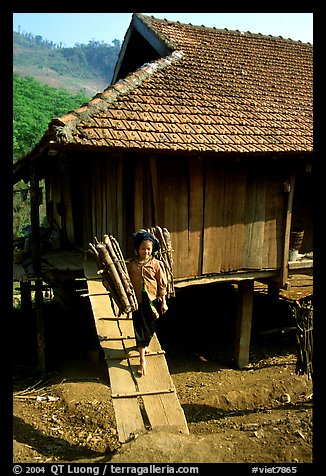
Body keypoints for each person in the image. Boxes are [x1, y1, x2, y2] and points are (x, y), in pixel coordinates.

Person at [126, 230, 168, 376]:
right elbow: (123, 280)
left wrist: (163, 302)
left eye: (148, 249)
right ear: (138, 249)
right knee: (139, 328)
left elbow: (162, 284)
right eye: (143, 248)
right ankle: (142, 360)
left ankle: (144, 343)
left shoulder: (156, 264)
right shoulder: (131, 264)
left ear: (152, 250)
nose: (146, 251)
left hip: (152, 301)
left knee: (151, 326)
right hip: (137, 301)